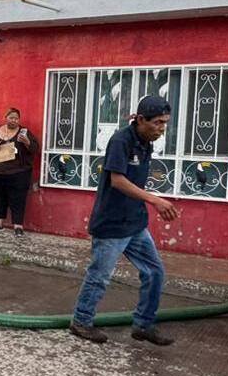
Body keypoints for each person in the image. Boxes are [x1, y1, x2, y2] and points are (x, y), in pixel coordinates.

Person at [68, 96, 180, 346]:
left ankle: (143, 325)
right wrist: (155, 200)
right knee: (100, 275)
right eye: (158, 123)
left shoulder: (146, 142)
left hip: (135, 223)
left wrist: (146, 204)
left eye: (165, 123)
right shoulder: (121, 141)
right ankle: (81, 321)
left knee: (154, 271)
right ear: (141, 120)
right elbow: (117, 181)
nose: (162, 128)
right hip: (112, 224)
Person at [0, 108, 35, 238]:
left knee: (18, 199)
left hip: (18, 173)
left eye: (16, 118)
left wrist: (26, 142)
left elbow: (35, 148)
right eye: (11, 117)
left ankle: (18, 226)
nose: (14, 120)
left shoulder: (24, 132)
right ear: (6, 117)